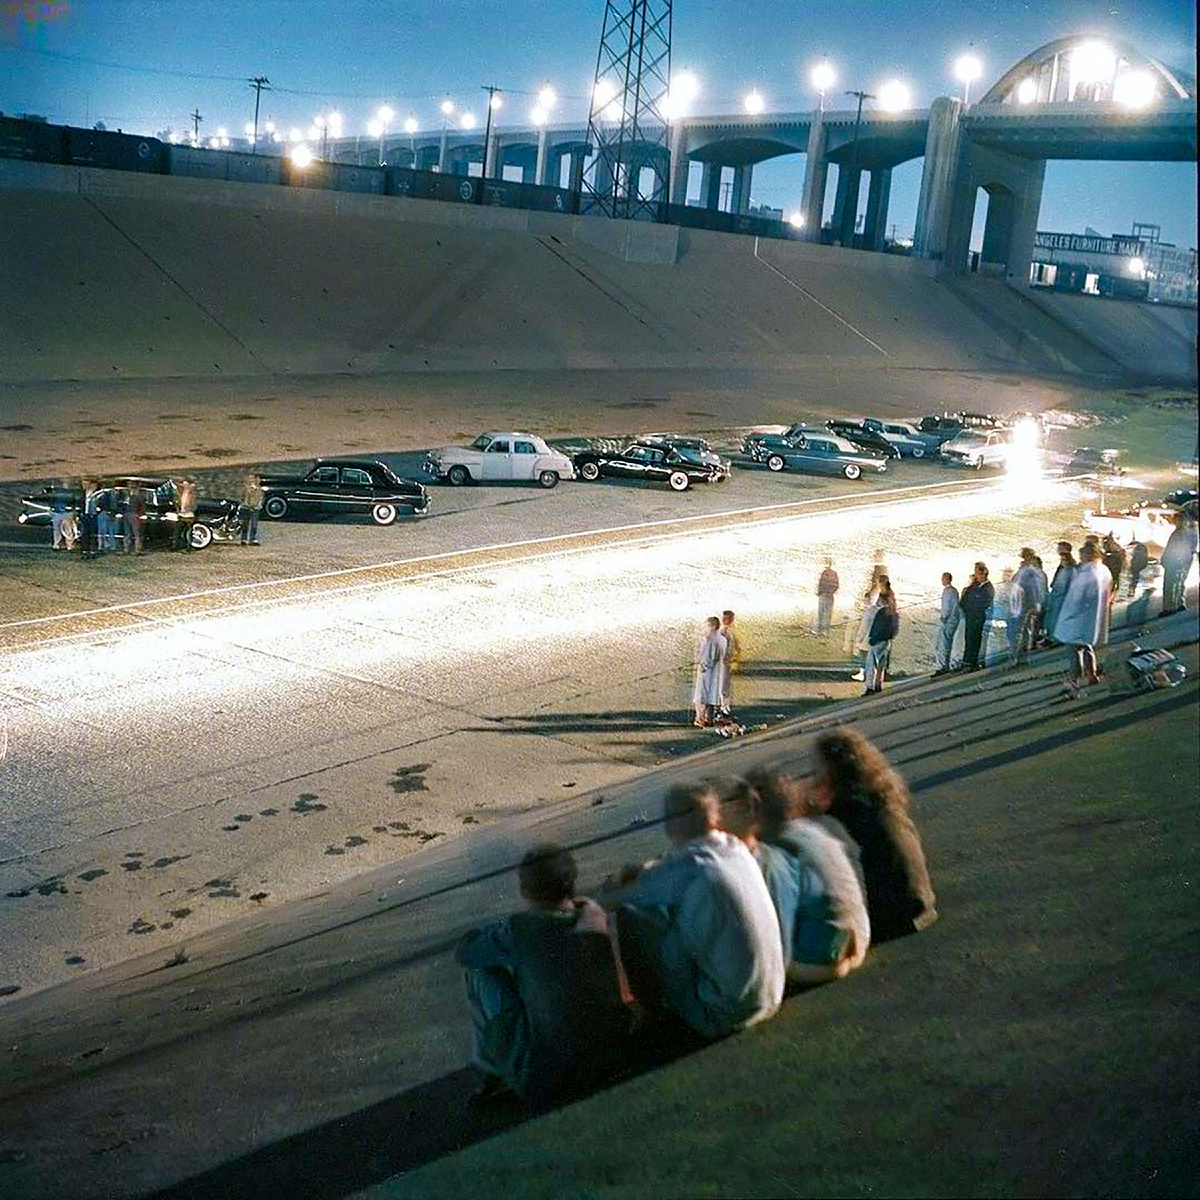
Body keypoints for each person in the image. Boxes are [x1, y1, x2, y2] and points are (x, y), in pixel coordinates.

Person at [455, 844, 632, 1106]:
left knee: (481, 973)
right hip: (613, 1054)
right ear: (571, 883)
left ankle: (491, 1075)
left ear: (525, 891)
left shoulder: (521, 929)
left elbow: (466, 953)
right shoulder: (592, 913)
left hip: (548, 1079)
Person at [606, 781, 784, 1040]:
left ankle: (651, 1012)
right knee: (691, 911)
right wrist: (648, 870)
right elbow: (672, 866)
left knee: (634, 914)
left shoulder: (686, 868)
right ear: (714, 818)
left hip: (724, 1015)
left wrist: (611, 889)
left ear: (668, 825)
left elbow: (613, 900)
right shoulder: (734, 848)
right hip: (771, 997)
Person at [740, 769, 870, 986]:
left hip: (818, 963)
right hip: (859, 936)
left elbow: (777, 924)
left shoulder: (772, 854)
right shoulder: (817, 828)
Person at [810, 726, 937, 942]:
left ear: (832, 770)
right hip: (922, 905)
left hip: (890, 918)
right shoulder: (881, 794)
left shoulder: (846, 808)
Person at [1053, 541, 1113, 689]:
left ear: (1087, 556)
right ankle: (1091, 674)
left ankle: (1074, 678)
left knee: (1073, 649)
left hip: (1078, 617)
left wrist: (1068, 615)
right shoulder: (1103, 570)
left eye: (1082, 556)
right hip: (1093, 616)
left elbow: (1076, 598)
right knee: (1086, 646)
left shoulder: (1086, 574)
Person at [1009, 548, 1046, 667]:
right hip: (1026, 604)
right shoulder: (1029, 570)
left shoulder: (1029, 571)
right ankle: (1023, 656)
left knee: (1018, 631)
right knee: (1025, 631)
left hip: (1025, 604)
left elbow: (1032, 588)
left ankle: (1016, 657)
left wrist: (1036, 603)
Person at [863, 576, 898, 695]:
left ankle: (870, 686)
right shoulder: (892, 604)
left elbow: (876, 620)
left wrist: (873, 637)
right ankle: (877, 685)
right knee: (881, 663)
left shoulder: (883, 608)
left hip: (880, 637)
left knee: (872, 662)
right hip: (887, 637)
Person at [958, 562, 994, 671]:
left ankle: (972, 661)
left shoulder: (988, 588)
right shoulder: (974, 586)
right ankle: (967, 661)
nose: (975, 575)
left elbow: (984, 603)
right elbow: (965, 599)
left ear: (983, 574)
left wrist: (972, 607)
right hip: (970, 616)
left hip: (977, 617)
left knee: (975, 639)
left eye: (977, 573)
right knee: (969, 639)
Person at [1160, 512, 1198, 616]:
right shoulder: (1187, 533)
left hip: (1175, 562)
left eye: (1178, 520)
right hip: (1179, 561)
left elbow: (1177, 549)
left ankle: (1170, 608)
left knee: (1171, 585)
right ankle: (1178, 604)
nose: (1176, 522)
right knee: (1178, 584)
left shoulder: (1182, 533)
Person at [693, 616, 726, 727]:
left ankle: (700, 719)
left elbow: (708, 657)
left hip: (706, 671)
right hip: (717, 671)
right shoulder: (722, 639)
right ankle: (709, 718)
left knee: (701, 696)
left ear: (711, 626)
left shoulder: (708, 639)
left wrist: (702, 665)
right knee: (712, 695)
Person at [1043, 542, 1076, 644]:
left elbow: (1062, 586)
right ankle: (1051, 637)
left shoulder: (1068, 570)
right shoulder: (1068, 568)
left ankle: (1054, 639)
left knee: (1055, 619)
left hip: (1060, 598)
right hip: (1059, 596)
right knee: (1053, 618)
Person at [933, 572, 961, 675]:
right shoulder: (954, 591)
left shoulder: (948, 591)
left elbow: (947, 607)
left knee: (943, 644)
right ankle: (946, 664)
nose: (942, 580)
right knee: (947, 642)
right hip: (953, 620)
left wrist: (944, 617)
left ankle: (942, 666)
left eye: (943, 578)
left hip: (948, 621)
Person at [719, 610, 740, 716]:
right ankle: (723, 707)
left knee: (726, 685)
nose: (726, 620)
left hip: (727, 662)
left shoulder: (730, 631)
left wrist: (735, 658)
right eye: (725, 618)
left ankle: (725, 706)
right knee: (722, 685)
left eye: (729, 618)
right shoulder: (721, 631)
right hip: (722, 662)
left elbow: (736, 645)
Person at [816, 559, 839, 636]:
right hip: (829, 596)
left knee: (822, 612)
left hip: (824, 595)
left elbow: (821, 584)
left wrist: (820, 593)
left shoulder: (824, 573)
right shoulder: (834, 574)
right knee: (827, 613)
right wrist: (831, 592)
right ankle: (825, 630)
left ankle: (821, 629)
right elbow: (836, 585)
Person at [240, 473, 263, 546]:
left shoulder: (259, 489)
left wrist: (258, 505)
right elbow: (244, 498)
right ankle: (244, 538)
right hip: (247, 508)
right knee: (245, 524)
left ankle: (252, 538)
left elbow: (260, 498)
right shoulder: (246, 488)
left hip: (255, 508)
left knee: (254, 524)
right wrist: (247, 505)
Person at [174, 479, 197, 552]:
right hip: (182, 514)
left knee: (188, 532)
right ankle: (177, 546)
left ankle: (188, 547)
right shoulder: (181, 495)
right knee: (178, 531)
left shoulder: (191, 495)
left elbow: (193, 505)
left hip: (189, 515)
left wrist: (188, 509)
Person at [122, 486, 145, 555]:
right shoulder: (128, 497)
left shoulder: (138, 497)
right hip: (128, 514)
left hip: (134, 514)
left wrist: (139, 514)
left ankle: (137, 550)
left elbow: (142, 506)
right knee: (128, 532)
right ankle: (127, 549)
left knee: (136, 533)